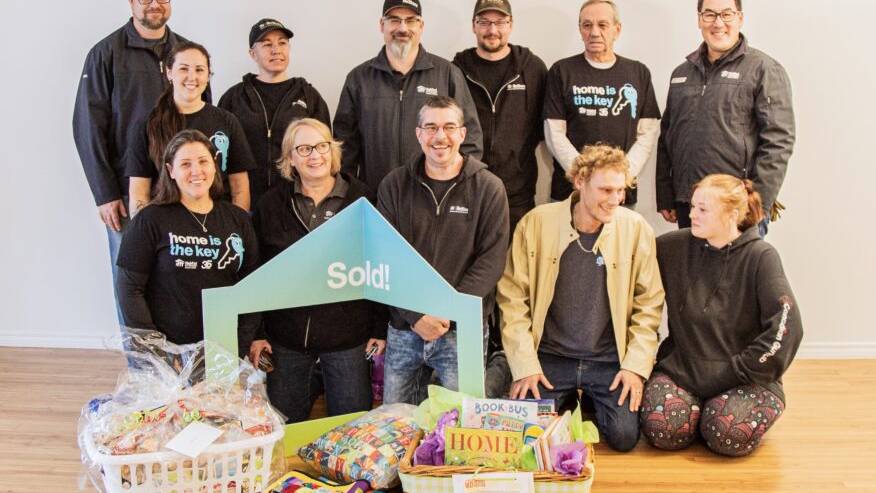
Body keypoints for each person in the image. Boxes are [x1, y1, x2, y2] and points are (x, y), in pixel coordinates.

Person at [497, 144, 664, 452]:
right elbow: (511, 299)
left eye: (620, 191)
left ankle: (578, 402)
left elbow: (649, 304)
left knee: (624, 437)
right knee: (526, 438)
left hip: (607, 359)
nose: (614, 200)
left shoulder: (636, 228)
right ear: (579, 182)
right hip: (549, 357)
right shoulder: (536, 223)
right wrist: (525, 366)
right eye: (605, 190)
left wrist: (635, 367)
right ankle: (568, 399)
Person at [72, 0, 206, 321]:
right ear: (131, 0)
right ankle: (143, 372)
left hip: (185, 191)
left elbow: (205, 122)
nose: (154, 5)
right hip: (128, 196)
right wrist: (105, 193)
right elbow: (88, 127)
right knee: (131, 285)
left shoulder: (186, 55)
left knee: (180, 282)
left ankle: (183, 369)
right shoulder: (106, 54)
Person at [641, 174, 803, 456]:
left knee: (727, 434)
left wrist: (737, 369)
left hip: (743, 378)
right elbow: (626, 252)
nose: (691, 215)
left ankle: (710, 415)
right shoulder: (672, 247)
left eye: (702, 209)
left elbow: (787, 325)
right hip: (683, 372)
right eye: (692, 207)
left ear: (732, 215)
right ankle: (700, 414)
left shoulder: (761, 257)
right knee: (664, 431)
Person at [250, 119, 387, 423]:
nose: (316, 155)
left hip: (348, 340)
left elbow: (379, 264)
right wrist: (256, 332)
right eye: (304, 148)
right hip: (286, 340)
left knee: (352, 430)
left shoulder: (363, 200)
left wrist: (379, 327)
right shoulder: (271, 204)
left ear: (333, 150)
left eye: (322, 146)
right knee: (285, 427)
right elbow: (255, 271)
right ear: (290, 159)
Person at [376, 96, 509, 404]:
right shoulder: (394, 185)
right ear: (419, 133)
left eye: (449, 127)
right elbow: (385, 257)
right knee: (397, 423)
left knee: (461, 423)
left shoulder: (488, 188)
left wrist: (447, 311)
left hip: (461, 329)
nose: (440, 136)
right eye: (431, 127)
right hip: (405, 326)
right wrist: (415, 314)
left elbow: (491, 261)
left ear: (463, 134)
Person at [655, 0, 796, 237]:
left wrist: (757, 203)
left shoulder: (764, 70)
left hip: (736, 208)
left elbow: (779, 141)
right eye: (709, 14)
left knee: (732, 278)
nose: (717, 23)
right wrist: (666, 195)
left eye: (726, 14)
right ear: (699, 20)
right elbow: (667, 137)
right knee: (693, 277)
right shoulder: (681, 74)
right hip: (690, 205)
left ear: (740, 18)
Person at [116, 130, 264, 356]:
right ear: (170, 171)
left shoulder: (238, 219)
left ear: (215, 166)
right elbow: (129, 289)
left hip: (223, 348)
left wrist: (239, 345)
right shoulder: (150, 219)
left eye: (203, 161)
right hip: (169, 352)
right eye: (185, 164)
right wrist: (158, 350)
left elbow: (252, 288)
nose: (196, 171)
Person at [333, 0, 483, 192]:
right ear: (382, 25)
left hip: (433, 199)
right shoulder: (359, 79)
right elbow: (344, 148)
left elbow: (470, 138)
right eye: (394, 20)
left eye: (410, 20)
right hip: (377, 198)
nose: (402, 28)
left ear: (421, 26)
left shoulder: (447, 74)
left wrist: (456, 189)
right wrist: (349, 195)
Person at [543, 0, 661, 206]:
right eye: (587, 25)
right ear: (580, 30)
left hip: (620, 194)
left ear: (617, 30)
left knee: (619, 240)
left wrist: (620, 178)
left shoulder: (638, 73)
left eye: (602, 25)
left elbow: (647, 134)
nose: (594, 32)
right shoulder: (561, 71)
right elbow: (554, 134)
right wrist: (585, 177)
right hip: (571, 192)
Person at [453, 0, 547, 233]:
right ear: (474, 25)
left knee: (516, 267)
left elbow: (544, 127)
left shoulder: (533, 69)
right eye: (484, 22)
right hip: (467, 188)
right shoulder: (455, 71)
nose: (491, 30)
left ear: (511, 25)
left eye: (499, 22)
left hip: (518, 193)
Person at [125, 43, 254, 216]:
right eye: (184, 69)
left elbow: (239, 187)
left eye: (200, 70)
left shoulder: (227, 121)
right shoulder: (148, 124)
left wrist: (237, 227)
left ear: (208, 75)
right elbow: (139, 192)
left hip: (217, 226)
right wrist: (145, 234)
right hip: (166, 226)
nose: (192, 77)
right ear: (169, 72)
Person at [218, 18, 331, 206]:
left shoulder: (309, 96)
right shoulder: (234, 98)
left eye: (282, 43)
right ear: (252, 53)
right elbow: (219, 156)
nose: (276, 50)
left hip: (295, 204)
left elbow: (326, 152)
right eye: (266, 44)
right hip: (244, 202)